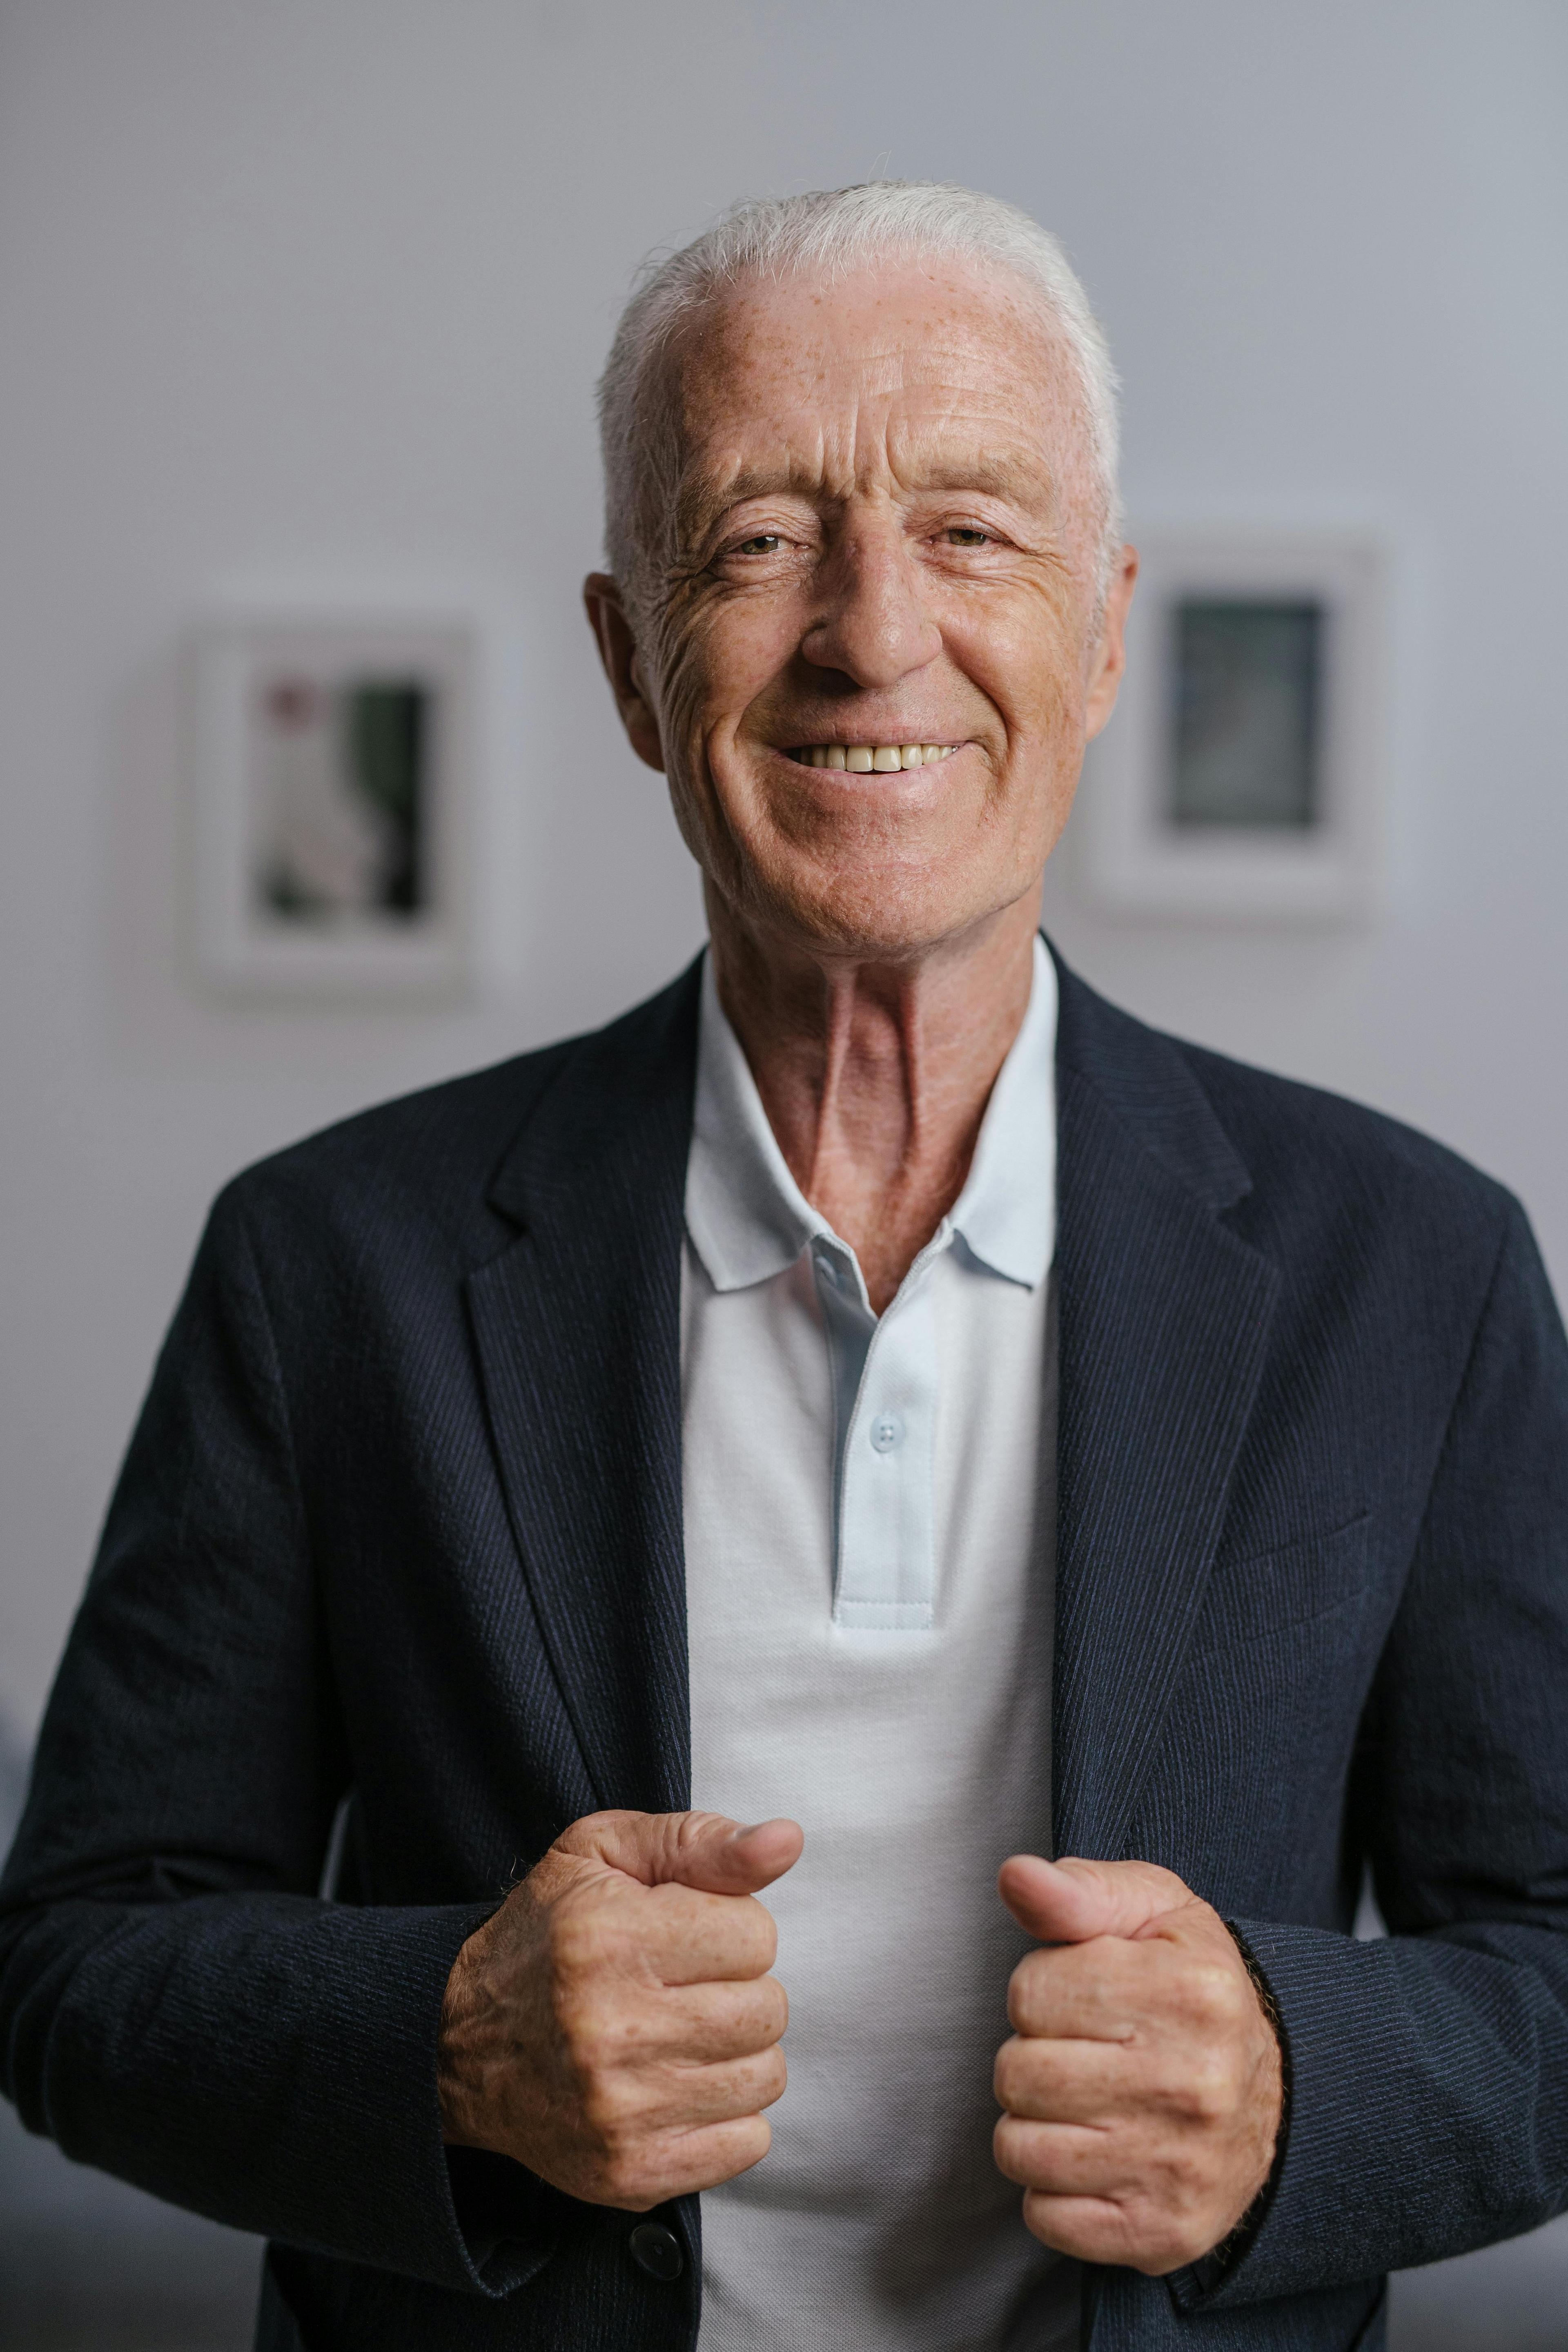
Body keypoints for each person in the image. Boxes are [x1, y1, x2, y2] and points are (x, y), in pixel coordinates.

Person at [2, 182, 1566, 2352]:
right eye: (756, 538)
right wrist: (452, 2043)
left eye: (974, 532)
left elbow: (1556, 1952)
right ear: (631, 663)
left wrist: (1304, 2086)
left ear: (1107, 633)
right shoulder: (324, 1263)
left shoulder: (1422, 1269)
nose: (871, 631)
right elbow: (78, 1956)